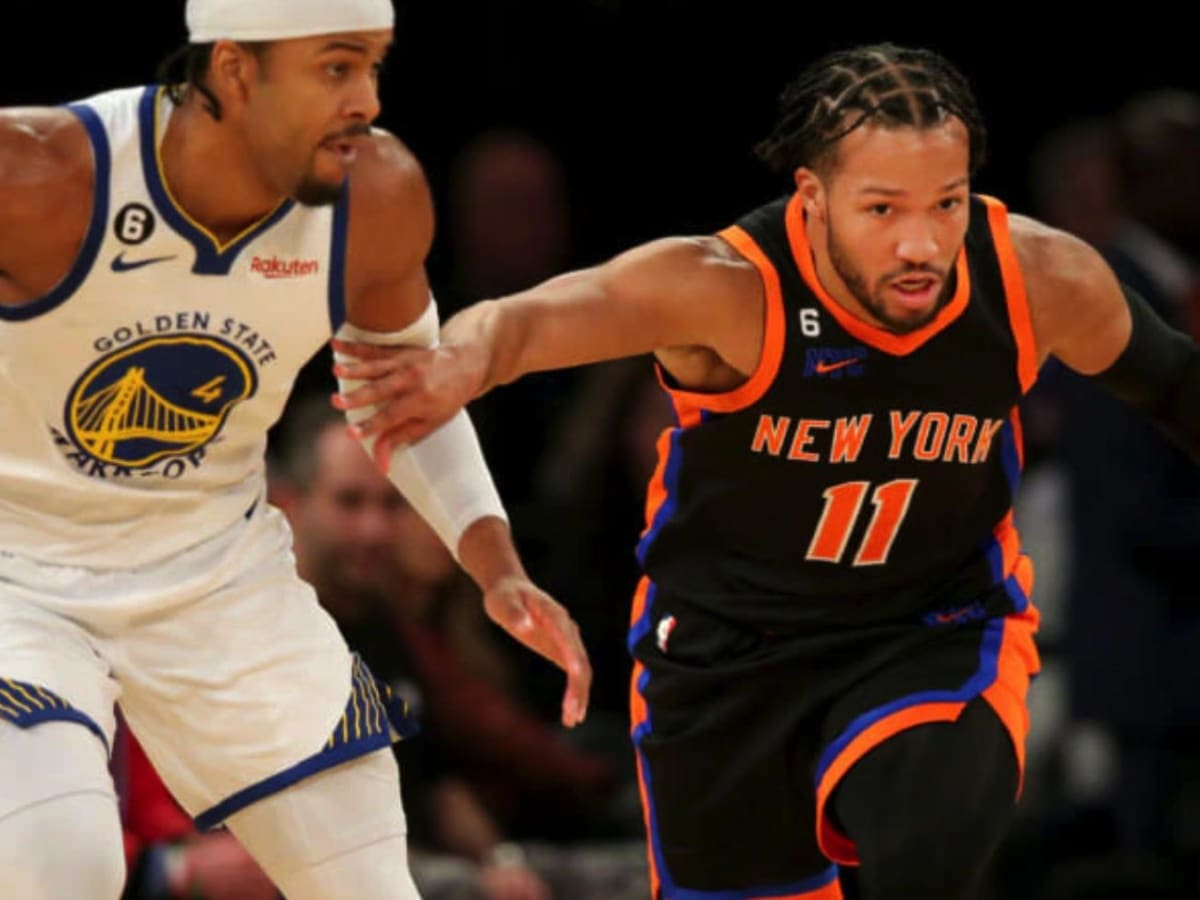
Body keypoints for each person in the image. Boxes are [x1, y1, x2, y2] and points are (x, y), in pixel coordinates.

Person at [333, 43, 1200, 900]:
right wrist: (456, 363)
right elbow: (528, 322)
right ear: (813, 200)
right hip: (727, 657)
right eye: (884, 209)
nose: (922, 243)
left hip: (927, 625)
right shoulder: (729, 289)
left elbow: (1176, 384)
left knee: (928, 839)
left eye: (948, 202)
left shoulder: (1035, 279)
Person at [0, 1, 590, 897]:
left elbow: (404, 393)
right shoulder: (39, 173)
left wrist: (494, 562)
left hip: (216, 572)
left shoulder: (378, 192)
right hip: (18, 570)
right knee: (58, 862)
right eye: (337, 68)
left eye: (374, 68)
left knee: (371, 883)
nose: (366, 99)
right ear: (235, 69)